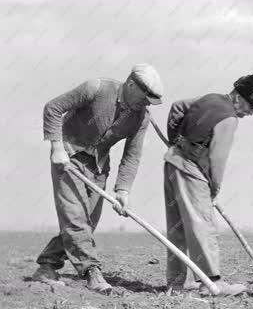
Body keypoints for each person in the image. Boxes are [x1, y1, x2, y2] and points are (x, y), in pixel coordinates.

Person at [33, 64, 164, 294]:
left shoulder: (141, 118)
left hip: (98, 165)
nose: (145, 105)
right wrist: (56, 147)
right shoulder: (95, 88)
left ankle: (47, 266)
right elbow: (53, 108)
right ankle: (92, 272)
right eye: (144, 99)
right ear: (131, 85)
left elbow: (132, 155)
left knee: (88, 221)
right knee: (75, 219)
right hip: (69, 156)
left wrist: (123, 190)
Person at [164, 71, 253, 296]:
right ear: (239, 97)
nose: (251, 113)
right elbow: (217, 159)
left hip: (172, 163)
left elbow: (176, 107)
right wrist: (215, 187)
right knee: (203, 225)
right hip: (192, 171)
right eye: (251, 106)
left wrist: (175, 141)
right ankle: (212, 282)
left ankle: (175, 283)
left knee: (178, 227)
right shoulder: (229, 118)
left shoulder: (209, 98)